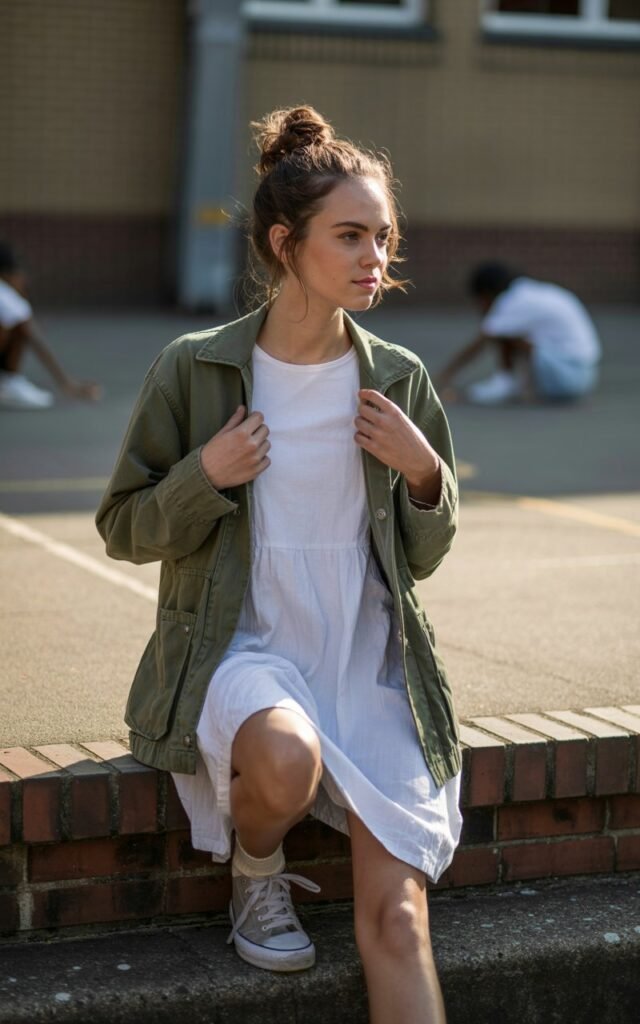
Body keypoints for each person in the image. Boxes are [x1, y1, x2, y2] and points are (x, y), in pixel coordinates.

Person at [96, 106, 462, 1023]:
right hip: (242, 647)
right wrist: (202, 477)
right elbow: (123, 526)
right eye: (350, 235)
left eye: (383, 236)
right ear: (283, 242)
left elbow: (420, 558)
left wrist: (425, 472)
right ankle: (256, 868)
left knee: (401, 924)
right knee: (286, 759)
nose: (375, 255)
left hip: (369, 661)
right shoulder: (196, 370)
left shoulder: (399, 377)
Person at [437, 262, 602, 405]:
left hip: (569, 379)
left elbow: (479, 344)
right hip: (586, 374)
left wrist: (443, 378)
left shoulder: (511, 303)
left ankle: (506, 384)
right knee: (510, 332)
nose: (480, 308)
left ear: (487, 293)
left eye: (480, 301)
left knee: (504, 333)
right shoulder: (526, 292)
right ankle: (512, 383)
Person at [0, 241, 100, 409]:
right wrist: (66, 383)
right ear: (7, 274)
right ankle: (9, 382)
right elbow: (32, 334)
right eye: (20, 274)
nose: (24, 280)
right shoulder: (4, 294)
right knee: (19, 323)